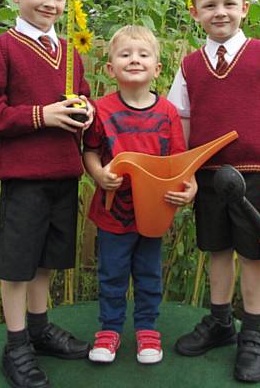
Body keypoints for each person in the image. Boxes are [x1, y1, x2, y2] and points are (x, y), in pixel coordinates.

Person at [167, 0, 260, 383]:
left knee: (252, 253)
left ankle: (252, 333)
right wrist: (182, 167)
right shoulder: (189, 66)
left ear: (244, 8)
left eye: (228, 4)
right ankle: (221, 322)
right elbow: (182, 119)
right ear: (195, 13)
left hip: (256, 172)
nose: (219, 12)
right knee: (217, 250)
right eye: (209, 5)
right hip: (208, 174)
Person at [0, 0, 94, 388]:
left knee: (45, 261)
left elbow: (80, 97)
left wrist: (86, 111)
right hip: (24, 179)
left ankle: (40, 330)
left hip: (63, 173)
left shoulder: (69, 53)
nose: (51, 3)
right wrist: (42, 115)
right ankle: (17, 343)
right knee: (18, 265)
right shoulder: (1, 49)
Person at [83, 25, 197, 365]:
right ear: (110, 68)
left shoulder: (168, 114)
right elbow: (89, 151)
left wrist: (190, 186)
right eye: (125, 55)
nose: (134, 60)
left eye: (143, 54)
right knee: (112, 273)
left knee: (148, 273)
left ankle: (148, 330)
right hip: (112, 212)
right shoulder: (100, 110)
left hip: (154, 212)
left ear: (157, 68)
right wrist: (99, 174)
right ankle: (109, 330)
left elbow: (180, 163)